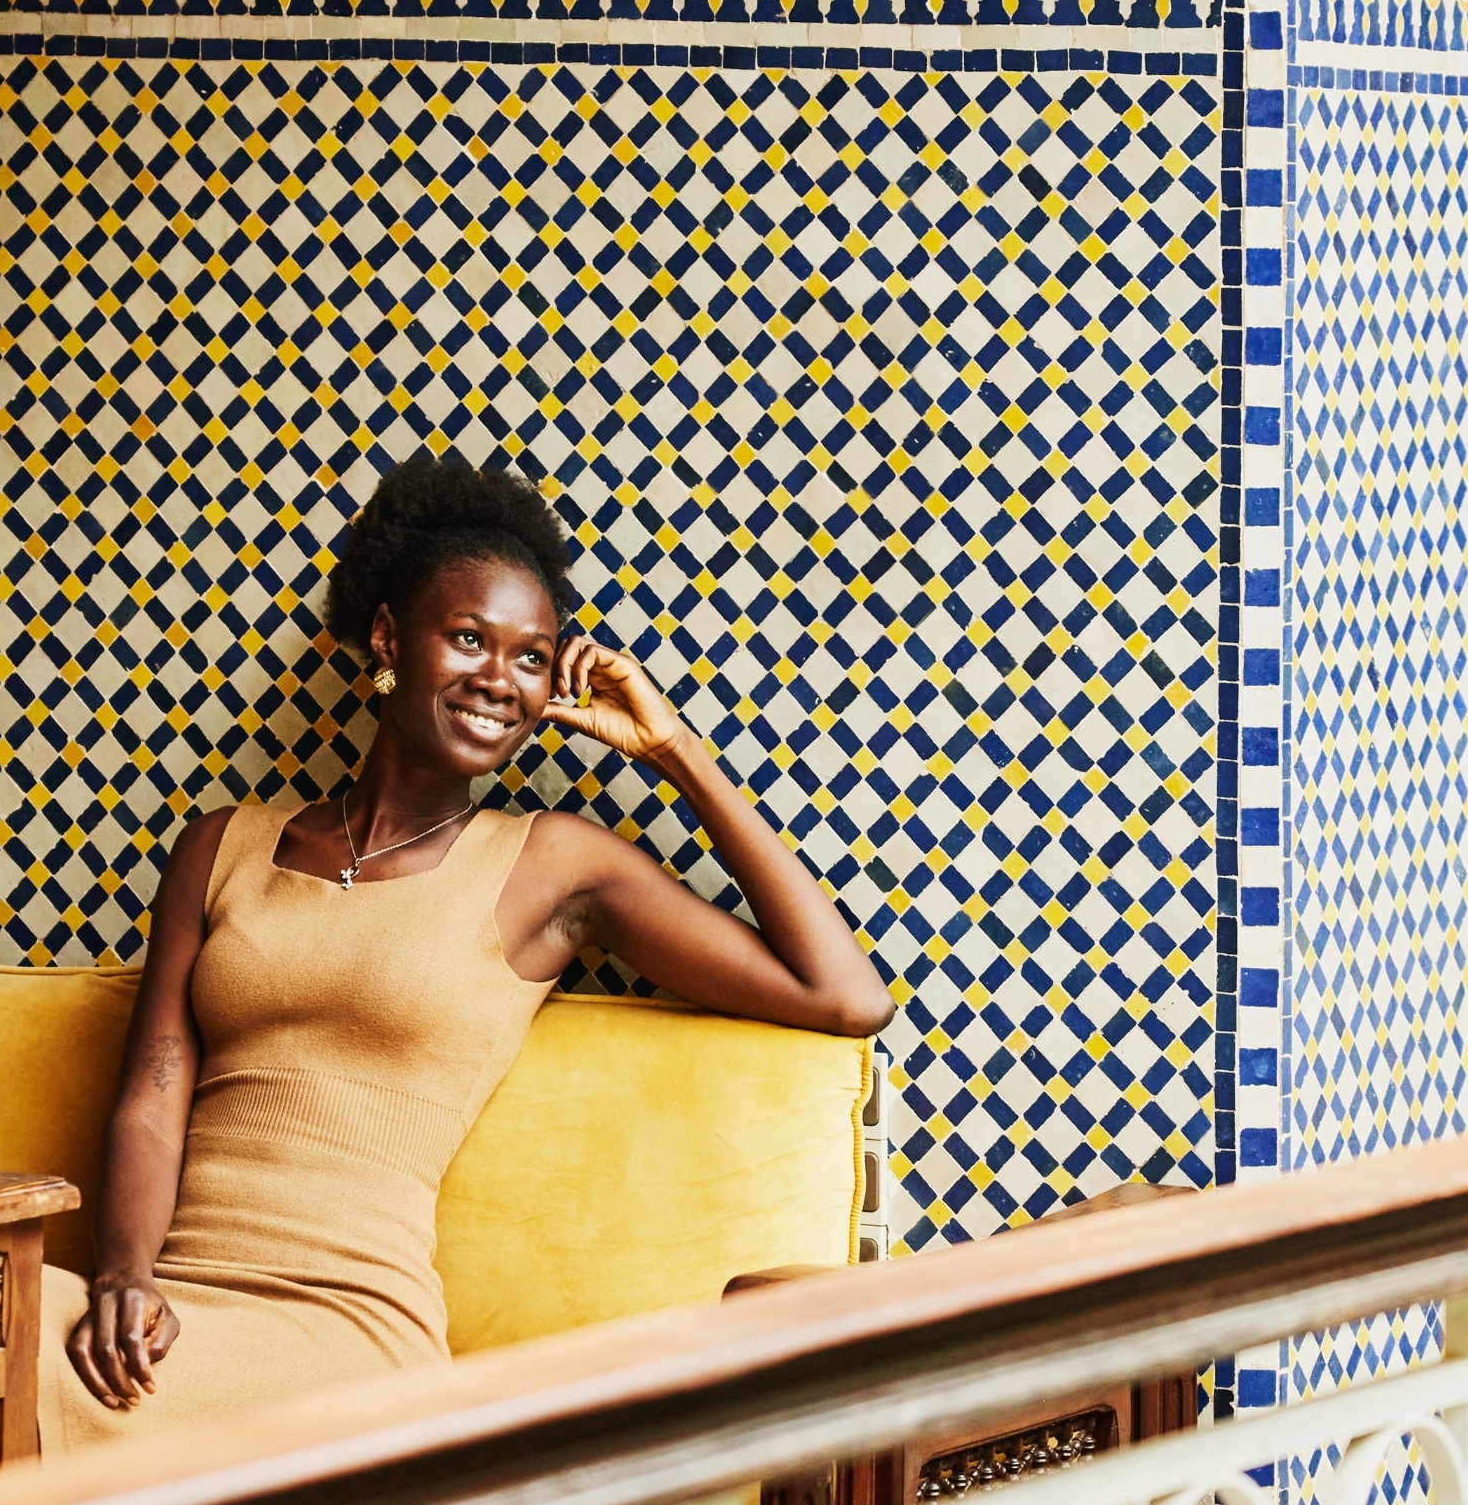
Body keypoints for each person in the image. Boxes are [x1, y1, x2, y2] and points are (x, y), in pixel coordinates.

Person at [48, 451, 892, 1445]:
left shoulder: (550, 867)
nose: (499, 677)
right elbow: (151, 1090)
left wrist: (671, 750)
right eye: (467, 637)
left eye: (531, 656)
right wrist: (122, 1274)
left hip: (344, 1333)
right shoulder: (219, 844)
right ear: (386, 637)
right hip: (175, 1304)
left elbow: (843, 995)